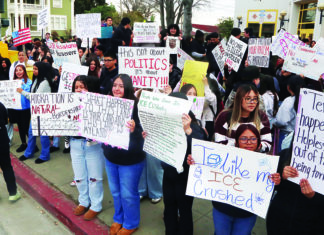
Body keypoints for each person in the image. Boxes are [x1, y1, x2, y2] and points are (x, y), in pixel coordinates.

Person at [188, 124, 279, 235]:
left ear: (259, 142)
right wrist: (195, 160)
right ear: (236, 142)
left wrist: (276, 181)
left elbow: (269, 188)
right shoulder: (224, 156)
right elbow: (205, 164)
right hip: (222, 210)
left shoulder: (267, 166)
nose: (248, 142)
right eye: (243, 138)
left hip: (247, 213)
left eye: (253, 139)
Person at [102, 74, 145, 235]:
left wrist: (134, 130)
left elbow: (145, 135)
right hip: (111, 157)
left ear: (127, 87)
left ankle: (131, 222)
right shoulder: (107, 102)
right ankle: (118, 218)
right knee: (115, 191)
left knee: (128, 193)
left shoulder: (138, 106)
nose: (116, 89)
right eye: (114, 85)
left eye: (120, 86)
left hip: (131, 160)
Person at [160, 92, 207, 235]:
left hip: (185, 177)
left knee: (185, 209)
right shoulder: (164, 123)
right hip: (168, 174)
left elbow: (201, 148)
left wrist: (188, 130)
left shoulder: (195, 126)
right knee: (169, 206)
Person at [266, 140, 324, 235]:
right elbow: (269, 185)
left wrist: (313, 197)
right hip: (278, 220)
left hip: (312, 225)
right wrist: (281, 177)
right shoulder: (285, 154)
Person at [70, 75, 105, 221]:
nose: (79, 90)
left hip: (94, 145)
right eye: (76, 87)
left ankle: (96, 205)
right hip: (75, 144)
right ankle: (83, 201)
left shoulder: (99, 104)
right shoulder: (68, 103)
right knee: (79, 176)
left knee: (95, 177)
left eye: (82, 87)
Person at [214, 84, 272, 152]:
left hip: (255, 157)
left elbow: (268, 143)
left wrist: (257, 145)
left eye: (255, 99)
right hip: (231, 157)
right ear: (239, 99)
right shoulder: (224, 116)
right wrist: (238, 145)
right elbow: (219, 142)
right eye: (248, 99)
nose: (252, 102)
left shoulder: (262, 116)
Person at [17, 62, 54, 164]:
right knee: (31, 133)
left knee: (43, 135)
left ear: (41, 70)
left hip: (43, 112)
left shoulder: (45, 82)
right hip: (35, 112)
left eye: (36, 69)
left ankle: (44, 155)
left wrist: (22, 92)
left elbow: (35, 97)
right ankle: (29, 153)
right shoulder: (37, 80)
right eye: (33, 69)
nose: (34, 71)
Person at [273, 75, 304, 152]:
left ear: (288, 87)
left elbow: (281, 121)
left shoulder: (288, 101)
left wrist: (274, 123)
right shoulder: (307, 100)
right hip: (301, 137)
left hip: (286, 135)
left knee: (283, 159)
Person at [8, 65, 32, 152]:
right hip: (16, 108)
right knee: (20, 126)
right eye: (16, 70)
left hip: (25, 108)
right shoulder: (12, 82)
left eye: (20, 70)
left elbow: (28, 92)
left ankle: (32, 145)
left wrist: (22, 85)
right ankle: (23, 143)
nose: (18, 72)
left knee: (26, 127)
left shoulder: (28, 81)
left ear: (24, 71)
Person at [0, 101, 21, 202]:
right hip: (1, 140)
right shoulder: (0, 105)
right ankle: (13, 193)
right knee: (7, 167)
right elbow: (5, 120)